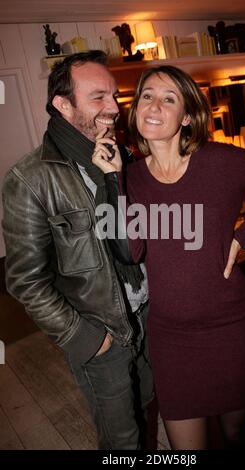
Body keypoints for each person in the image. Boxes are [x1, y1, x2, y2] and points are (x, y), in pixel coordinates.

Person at [91, 65, 245, 450]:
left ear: (187, 116)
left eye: (168, 98)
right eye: (146, 96)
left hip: (233, 328)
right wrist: (111, 178)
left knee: (236, 434)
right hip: (171, 339)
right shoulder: (129, 178)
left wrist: (240, 238)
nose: (153, 105)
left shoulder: (221, 160)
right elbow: (128, 251)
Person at [1, 51, 153, 450]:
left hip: (150, 316)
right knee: (123, 440)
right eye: (98, 97)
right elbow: (24, 281)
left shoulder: (124, 156)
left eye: (115, 96)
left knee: (151, 405)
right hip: (102, 334)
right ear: (63, 105)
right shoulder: (29, 178)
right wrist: (84, 337)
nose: (114, 108)